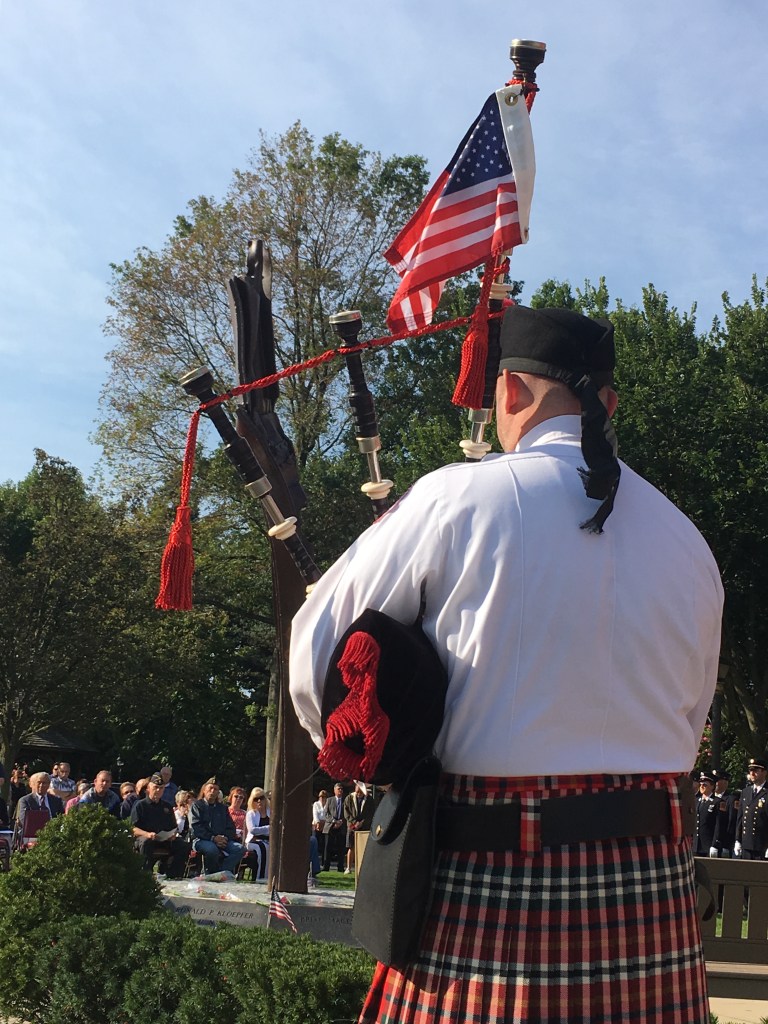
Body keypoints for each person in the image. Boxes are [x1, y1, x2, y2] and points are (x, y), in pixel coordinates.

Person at [289, 306, 724, 1024]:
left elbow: (317, 659)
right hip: (652, 896)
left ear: (511, 393)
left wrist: (374, 760)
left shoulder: (457, 497)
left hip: (488, 885)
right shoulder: (688, 542)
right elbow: (693, 714)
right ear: (607, 404)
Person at [130, 773, 190, 878]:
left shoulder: (166, 806)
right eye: (156, 787)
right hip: (145, 839)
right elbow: (133, 828)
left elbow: (173, 827)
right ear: (148, 788)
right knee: (146, 842)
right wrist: (147, 834)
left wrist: (173, 834)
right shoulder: (140, 805)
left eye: (161, 788)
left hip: (164, 839)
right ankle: (145, 876)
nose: (158, 790)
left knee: (183, 845)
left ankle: (174, 876)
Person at [189, 778, 244, 876]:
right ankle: (212, 873)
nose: (212, 791)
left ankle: (220, 873)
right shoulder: (197, 806)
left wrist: (225, 838)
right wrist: (213, 838)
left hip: (222, 840)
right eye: (210, 788)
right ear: (204, 790)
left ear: (218, 792)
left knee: (240, 849)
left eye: (215, 789)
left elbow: (231, 828)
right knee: (212, 849)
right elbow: (196, 827)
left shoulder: (222, 808)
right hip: (201, 840)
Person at [14, 772, 64, 845]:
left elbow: (61, 818)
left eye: (44, 783)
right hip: (31, 835)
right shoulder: (25, 800)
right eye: (39, 782)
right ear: (34, 784)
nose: (41, 785)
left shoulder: (56, 801)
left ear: (49, 784)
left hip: (52, 834)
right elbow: (23, 820)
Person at [735, 757, 768, 860]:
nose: (752, 773)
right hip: (746, 843)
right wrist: (737, 840)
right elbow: (740, 818)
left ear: (764, 772)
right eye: (751, 770)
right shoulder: (746, 792)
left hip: (762, 844)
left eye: (756, 770)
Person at [343, 781, 374, 874]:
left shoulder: (369, 799)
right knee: (351, 847)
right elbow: (346, 812)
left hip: (364, 826)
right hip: (352, 826)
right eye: (357, 792)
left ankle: (362, 868)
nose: (358, 794)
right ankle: (348, 868)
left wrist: (362, 822)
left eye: (360, 792)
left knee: (363, 847)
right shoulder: (349, 798)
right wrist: (354, 822)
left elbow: (371, 813)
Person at [243, 787, 271, 880]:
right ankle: (260, 877)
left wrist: (263, 830)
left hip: (269, 841)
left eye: (261, 798)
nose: (259, 801)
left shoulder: (270, 812)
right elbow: (252, 830)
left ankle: (271, 877)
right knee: (262, 848)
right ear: (252, 800)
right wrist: (268, 828)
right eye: (256, 799)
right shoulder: (251, 814)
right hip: (253, 841)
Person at [711, 769, 738, 857]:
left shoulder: (731, 799)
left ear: (725, 782)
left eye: (717, 781)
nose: (714, 783)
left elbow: (731, 822)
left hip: (723, 844)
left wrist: (726, 844)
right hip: (709, 842)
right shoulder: (710, 799)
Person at [322, 782, 347, 872]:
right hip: (330, 827)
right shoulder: (330, 800)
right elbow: (326, 813)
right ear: (334, 790)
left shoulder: (345, 800)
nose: (340, 790)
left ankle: (340, 867)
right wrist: (334, 821)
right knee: (328, 847)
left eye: (341, 789)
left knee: (341, 848)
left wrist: (341, 821)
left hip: (341, 826)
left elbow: (348, 813)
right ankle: (326, 866)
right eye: (338, 789)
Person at [694, 772, 718, 856]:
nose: (701, 786)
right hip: (695, 844)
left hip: (708, 844)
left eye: (705, 785)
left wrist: (715, 844)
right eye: (700, 784)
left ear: (712, 786)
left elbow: (718, 825)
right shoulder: (696, 801)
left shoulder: (717, 802)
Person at [312, 789, 330, 865]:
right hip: (316, 825)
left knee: (325, 845)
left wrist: (324, 822)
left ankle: (324, 862)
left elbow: (328, 815)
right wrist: (318, 823)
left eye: (324, 797)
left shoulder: (328, 805)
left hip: (325, 825)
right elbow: (315, 814)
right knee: (315, 843)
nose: (322, 798)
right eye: (321, 797)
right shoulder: (316, 804)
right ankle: (315, 862)